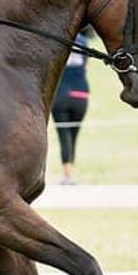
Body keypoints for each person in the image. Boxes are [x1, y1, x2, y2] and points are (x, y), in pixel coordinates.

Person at [52, 32, 90, 185]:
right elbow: (86, 67)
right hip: (81, 94)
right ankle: (70, 172)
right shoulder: (84, 42)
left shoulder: (60, 38)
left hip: (60, 94)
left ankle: (67, 175)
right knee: (74, 135)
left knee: (64, 135)